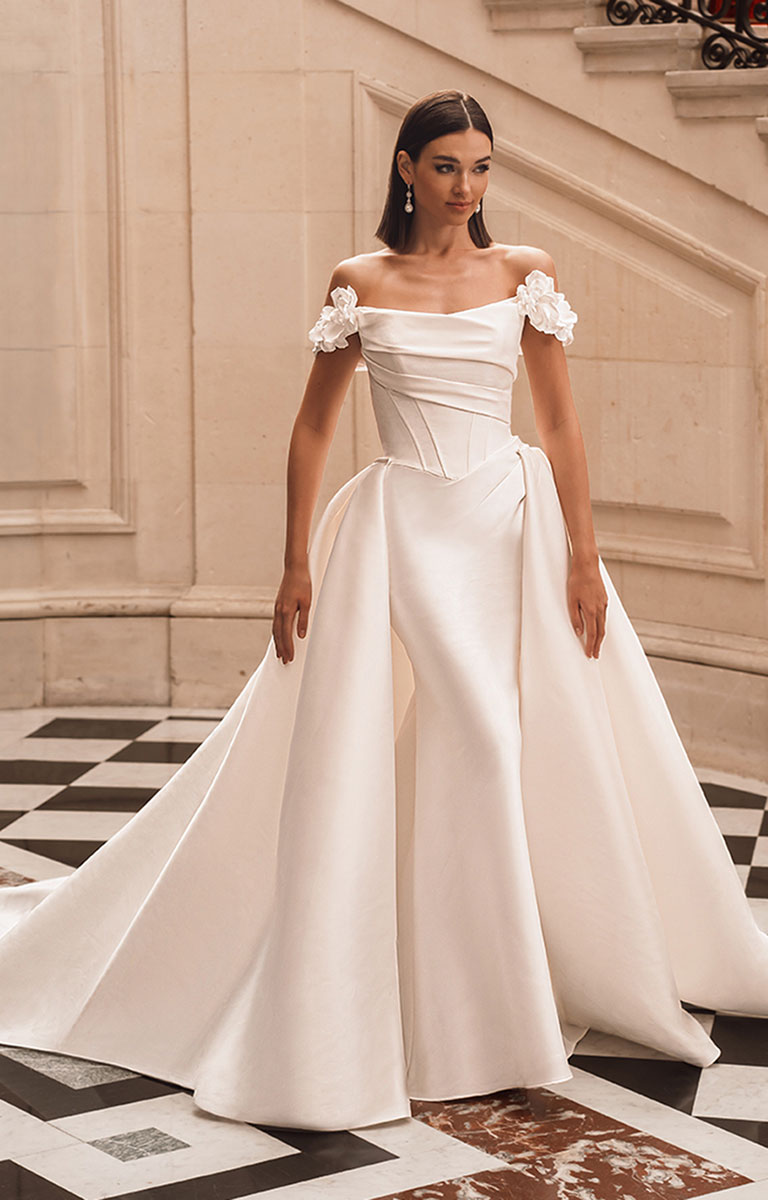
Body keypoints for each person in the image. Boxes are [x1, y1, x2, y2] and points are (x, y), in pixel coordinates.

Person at [0, 88, 766, 1135]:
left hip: (507, 521)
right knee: (481, 740)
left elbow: (563, 426)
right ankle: (474, 1011)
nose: (467, 187)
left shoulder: (524, 272)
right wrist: (290, 564)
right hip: (405, 531)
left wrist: (587, 558)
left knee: (496, 747)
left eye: (483, 167)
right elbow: (312, 431)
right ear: (405, 170)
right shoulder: (360, 283)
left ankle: (492, 989)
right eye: (447, 165)